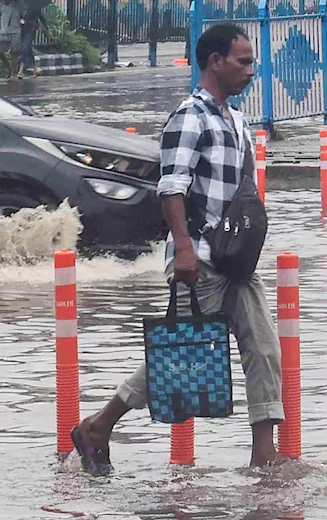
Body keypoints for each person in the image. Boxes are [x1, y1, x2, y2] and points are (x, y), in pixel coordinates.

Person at [69, 23, 284, 473]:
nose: (251, 70)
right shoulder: (190, 116)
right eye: (243, 61)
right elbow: (172, 188)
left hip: (236, 259)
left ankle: (264, 458)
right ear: (215, 62)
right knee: (177, 355)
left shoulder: (237, 120)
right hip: (200, 258)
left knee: (263, 349)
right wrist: (183, 250)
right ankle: (99, 425)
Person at [0, 0, 24, 79]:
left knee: (14, 53)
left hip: (15, 31)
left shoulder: (18, 4)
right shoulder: (1, 5)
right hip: (3, 31)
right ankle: (9, 68)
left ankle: (14, 73)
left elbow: (23, 15)